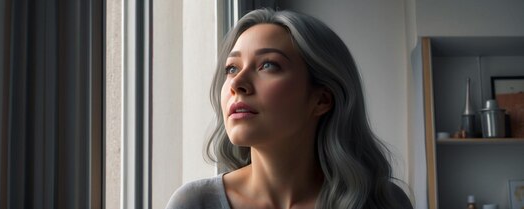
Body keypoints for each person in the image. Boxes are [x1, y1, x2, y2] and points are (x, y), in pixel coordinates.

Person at [166, 9, 413, 209]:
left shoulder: (383, 202)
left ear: (322, 100)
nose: (237, 84)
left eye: (268, 65)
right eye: (232, 68)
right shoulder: (194, 203)